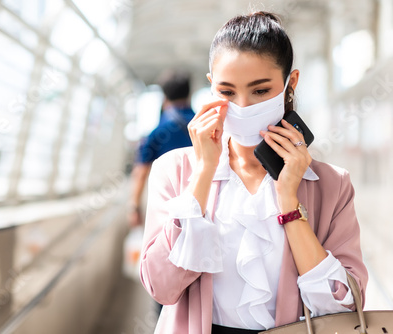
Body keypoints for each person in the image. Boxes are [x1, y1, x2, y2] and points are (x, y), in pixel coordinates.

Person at [139, 12, 368, 334]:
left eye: (260, 91)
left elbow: (343, 306)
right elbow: (161, 287)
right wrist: (203, 174)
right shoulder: (176, 170)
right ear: (211, 87)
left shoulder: (331, 184)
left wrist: (289, 202)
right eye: (227, 92)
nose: (243, 106)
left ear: (291, 83)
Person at [128, 69, 195, 227]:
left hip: (168, 211)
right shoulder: (205, 125)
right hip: (205, 202)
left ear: (164, 96)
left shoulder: (157, 133)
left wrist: (134, 207)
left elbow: (141, 172)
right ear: (189, 94)